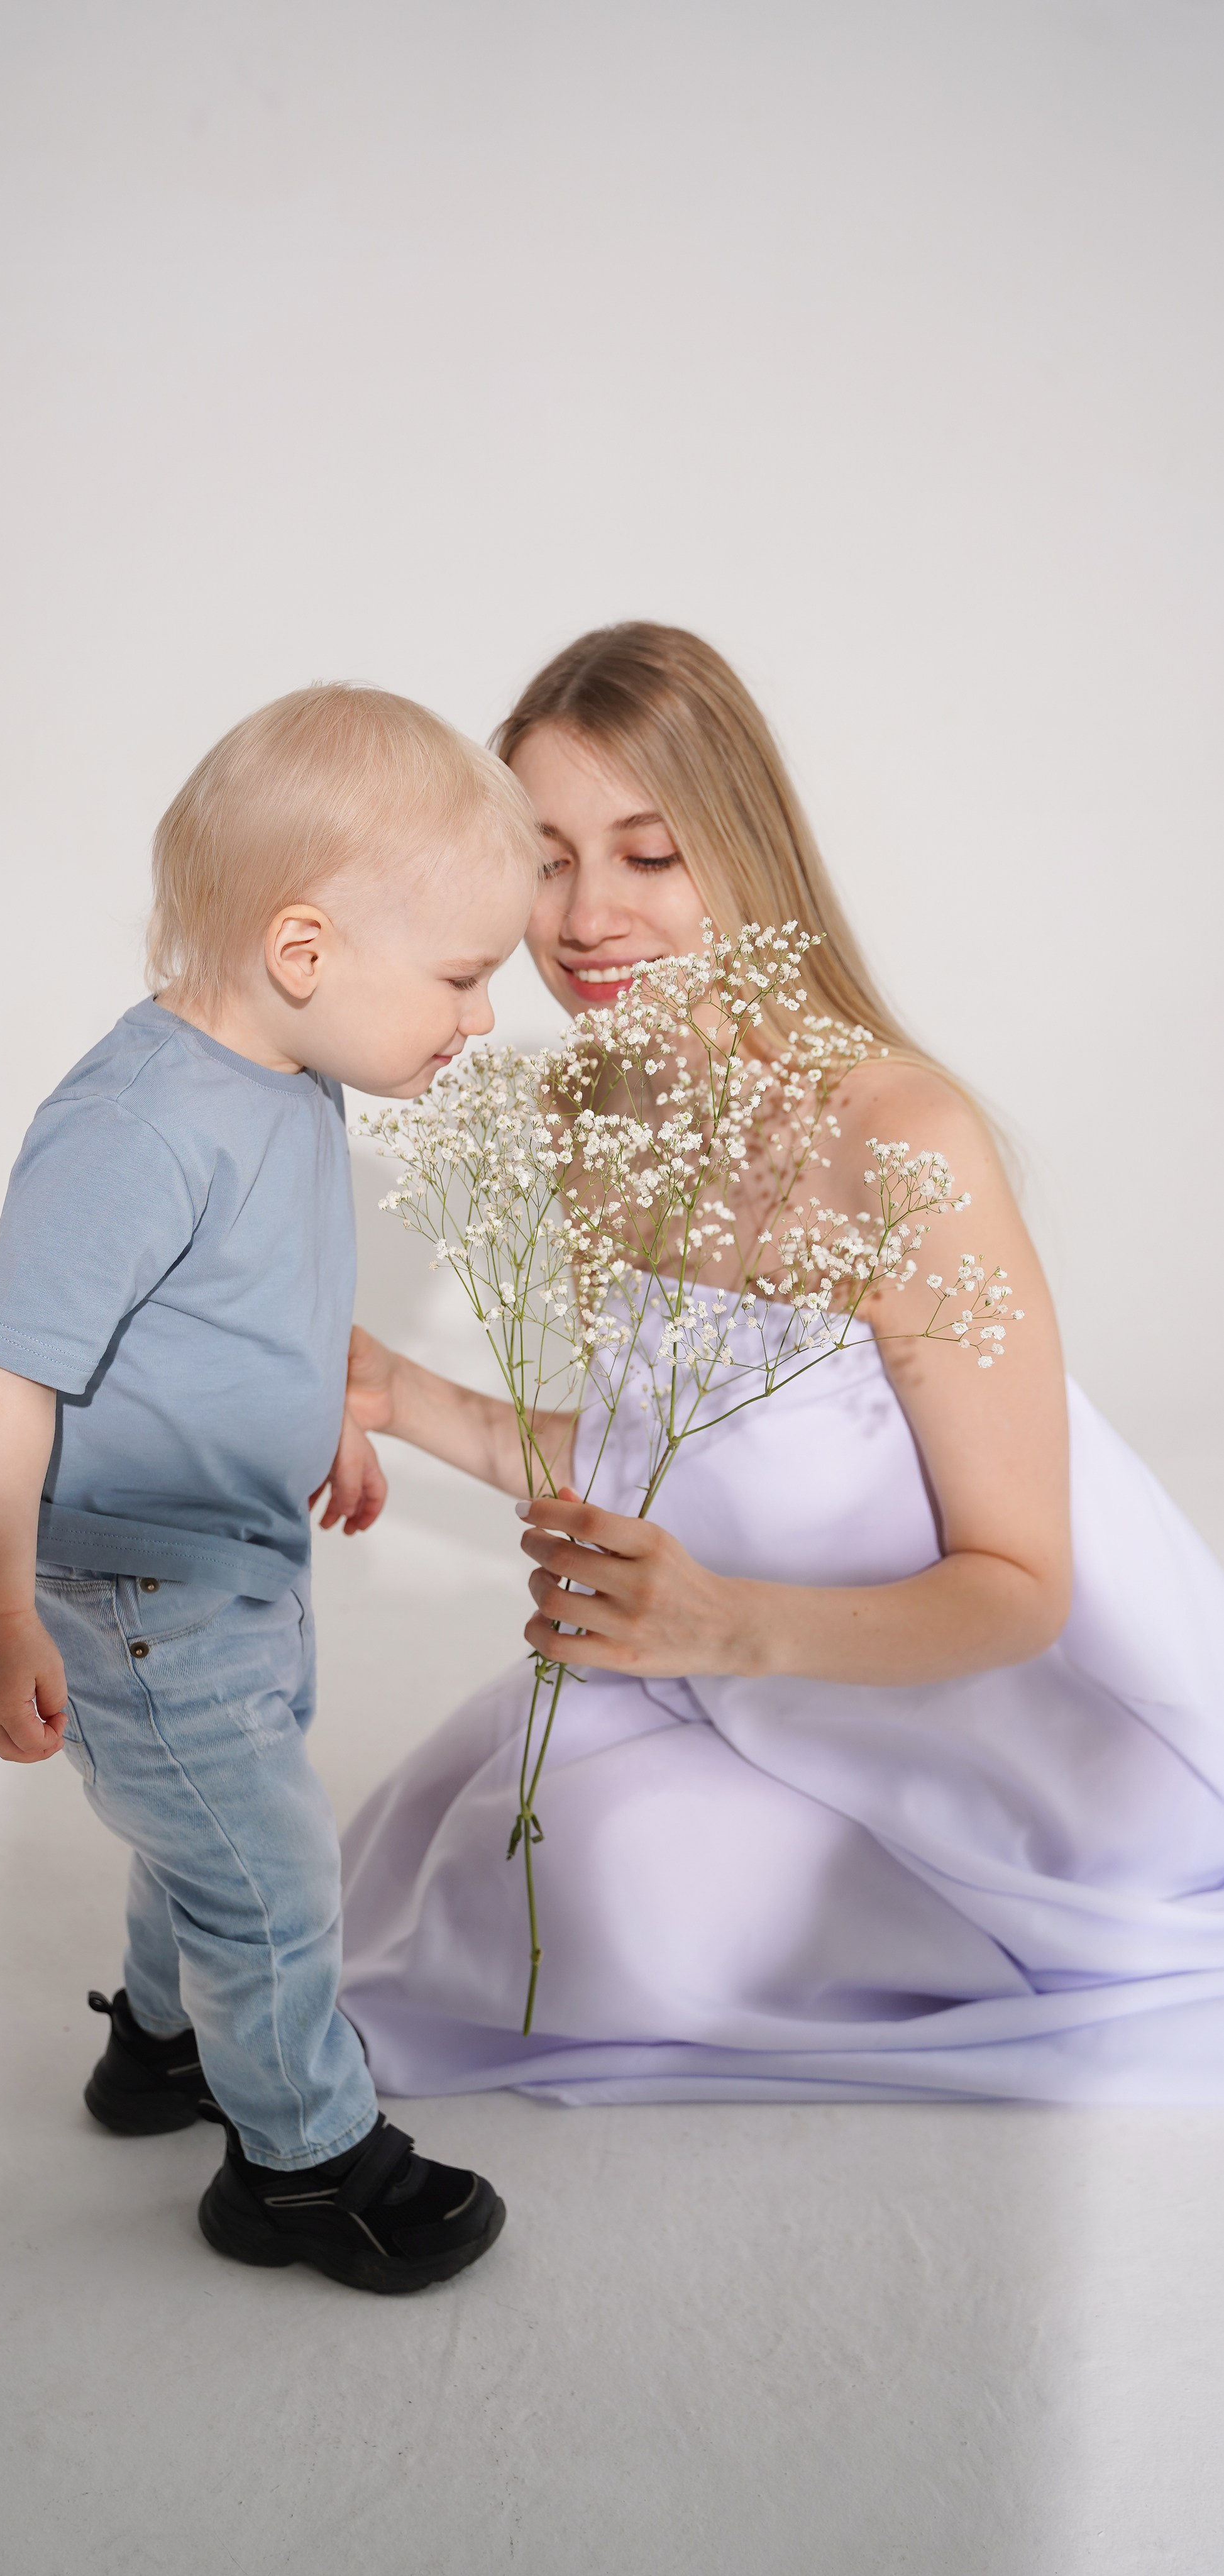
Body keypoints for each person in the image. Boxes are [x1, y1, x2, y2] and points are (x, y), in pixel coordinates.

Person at [338, 623, 1224, 2106]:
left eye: (649, 854)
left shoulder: (902, 1140)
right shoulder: (591, 1109)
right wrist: (401, 1397)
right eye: (545, 859)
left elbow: (1021, 1587)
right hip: (730, 1670)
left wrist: (725, 1624)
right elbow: (667, 1458)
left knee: (594, 1905)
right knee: (453, 1856)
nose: (587, 915)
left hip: (988, 1722)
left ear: (742, 853)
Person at [0, 685, 539, 2289]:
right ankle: (300, 2163)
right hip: (136, 1591)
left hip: (233, 1564)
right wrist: (0, 1606)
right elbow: (12, 1371)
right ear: (306, 949)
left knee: (209, 1829)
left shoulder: (293, 1076)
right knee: (273, 1879)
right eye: (464, 976)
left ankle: (159, 2048)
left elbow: (249, 1298)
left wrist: (320, 1416)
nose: (484, 1017)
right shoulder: (137, 1125)